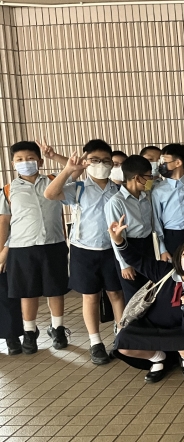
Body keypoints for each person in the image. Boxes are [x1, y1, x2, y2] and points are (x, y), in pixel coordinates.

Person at [108, 216, 184, 383]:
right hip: (152, 327)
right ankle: (158, 358)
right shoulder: (164, 271)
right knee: (123, 343)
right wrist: (119, 241)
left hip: (182, 332)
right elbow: (137, 260)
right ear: (179, 256)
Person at [44, 140, 125, 364]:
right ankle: (95, 342)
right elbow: (50, 194)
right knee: (90, 296)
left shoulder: (118, 189)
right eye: (95, 160)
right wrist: (68, 169)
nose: (101, 164)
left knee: (116, 294)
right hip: (84, 250)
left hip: (113, 249)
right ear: (85, 162)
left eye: (106, 161)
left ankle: (122, 336)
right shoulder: (78, 187)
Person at [0, 141, 69, 354]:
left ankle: (57, 329)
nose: (25, 162)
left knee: (55, 290)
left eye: (30, 158)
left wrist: (55, 155)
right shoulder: (8, 190)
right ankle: (30, 332)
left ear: (40, 161)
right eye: (19, 159)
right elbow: (4, 222)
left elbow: (76, 169)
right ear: (13, 164)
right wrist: (2, 250)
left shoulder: (54, 181)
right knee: (27, 292)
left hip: (53, 245)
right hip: (22, 248)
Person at [104, 155, 157, 302]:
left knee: (150, 292)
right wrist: (124, 264)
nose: (151, 180)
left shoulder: (146, 196)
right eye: (149, 176)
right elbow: (116, 236)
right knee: (134, 297)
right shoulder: (116, 202)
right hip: (128, 247)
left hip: (147, 246)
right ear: (137, 178)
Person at [152, 144, 184, 258]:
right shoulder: (158, 190)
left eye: (164, 161)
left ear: (178, 163)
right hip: (173, 236)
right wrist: (162, 249)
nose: (160, 164)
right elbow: (156, 221)